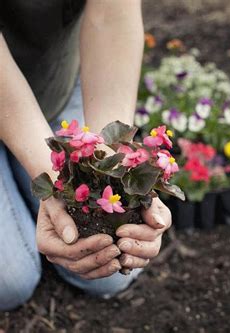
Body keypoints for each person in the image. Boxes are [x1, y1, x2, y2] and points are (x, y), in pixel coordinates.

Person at [0, 0, 171, 311]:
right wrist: (51, 174)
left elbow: (111, 16)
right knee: (9, 283)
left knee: (110, 265)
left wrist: (112, 159)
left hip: (49, 79)